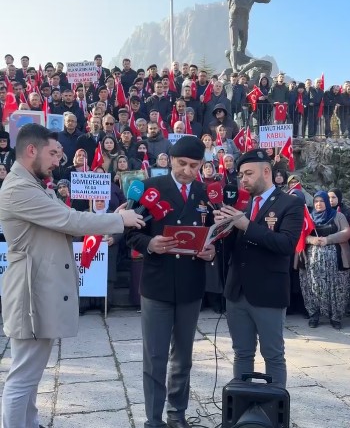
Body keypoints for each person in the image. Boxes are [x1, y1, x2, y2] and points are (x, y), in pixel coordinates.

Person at [0, 123, 144, 428]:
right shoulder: (18, 188)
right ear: (31, 150)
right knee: (23, 375)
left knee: (30, 372)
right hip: (30, 292)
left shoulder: (32, 184)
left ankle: (30, 422)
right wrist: (118, 219)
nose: (58, 160)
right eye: (52, 153)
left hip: (38, 289)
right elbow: (68, 219)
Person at [126, 136, 215, 428]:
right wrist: (150, 243)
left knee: (184, 358)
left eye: (194, 166)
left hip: (190, 285)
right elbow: (130, 232)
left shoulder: (205, 193)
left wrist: (211, 251)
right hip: (157, 285)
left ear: (202, 165)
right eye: (182, 164)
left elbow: (215, 233)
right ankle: (153, 420)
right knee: (155, 357)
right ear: (170, 160)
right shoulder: (151, 189)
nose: (187, 171)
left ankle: (177, 414)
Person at [215, 149, 304, 387]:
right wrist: (221, 231)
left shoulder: (291, 204)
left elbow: (286, 244)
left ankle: (273, 414)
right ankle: (242, 410)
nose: (242, 179)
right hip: (237, 291)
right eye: (241, 174)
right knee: (242, 354)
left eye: (248, 173)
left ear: (266, 171)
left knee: (273, 355)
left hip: (268, 293)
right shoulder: (243, 207)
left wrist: (246, 226)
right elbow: (233, 248)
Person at [300, 191, 350, 330]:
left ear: (326, 203)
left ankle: (336, 318)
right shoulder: (309, 217)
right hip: (312, 262)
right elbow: (301, 235)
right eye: (316, 201)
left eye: (322, 201)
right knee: (313, 287)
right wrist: (312, 239)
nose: (318, 204)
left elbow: (346, 232)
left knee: (338, 289)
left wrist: (328, 240)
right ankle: (314, 315)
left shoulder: (338, 216)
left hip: (337, 261)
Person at [213, 0, 270, 72]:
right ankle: (234, 68)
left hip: (244, 22)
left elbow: (267, 0)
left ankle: (241, 67)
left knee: (242, 47)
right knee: (234, 45)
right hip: (234, 21)